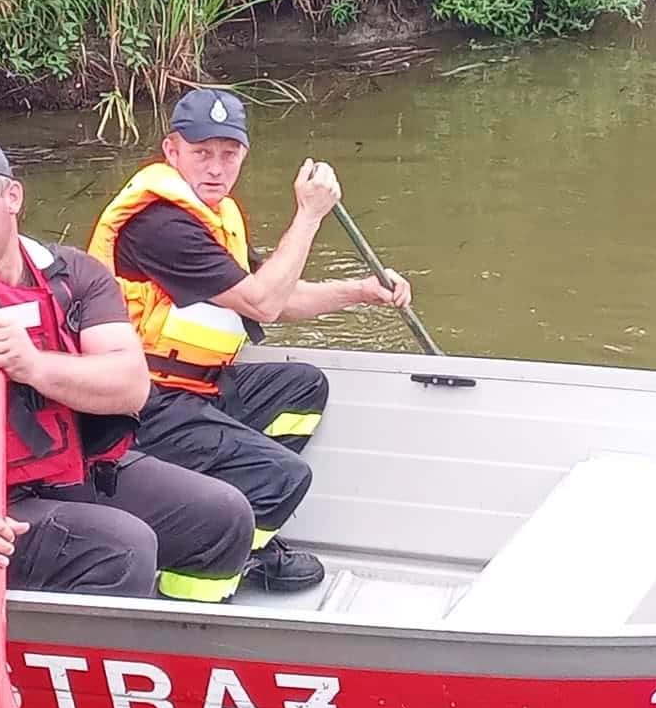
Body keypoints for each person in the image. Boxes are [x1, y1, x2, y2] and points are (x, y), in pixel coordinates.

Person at [0, 131, 254, 601]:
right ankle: (91, 657)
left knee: (224, 516)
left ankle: (182, 637)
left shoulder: (75, 276)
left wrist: (31, 365)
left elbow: (130, 386)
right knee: (124, 549)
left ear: (12, 197)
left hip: (70, 473)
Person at [87, 90, 413, 592]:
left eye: (229, 154)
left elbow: (278, 297)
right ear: (171, 151)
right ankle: (195, 584)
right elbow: (262, 303)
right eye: (201, 153)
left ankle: (245, 529)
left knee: (302, 388)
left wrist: (361, 291)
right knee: (284, 476)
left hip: (194, 387)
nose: (216, 168)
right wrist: (308, 216)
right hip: (138, 405)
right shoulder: (160, 225)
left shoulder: (211, 215)